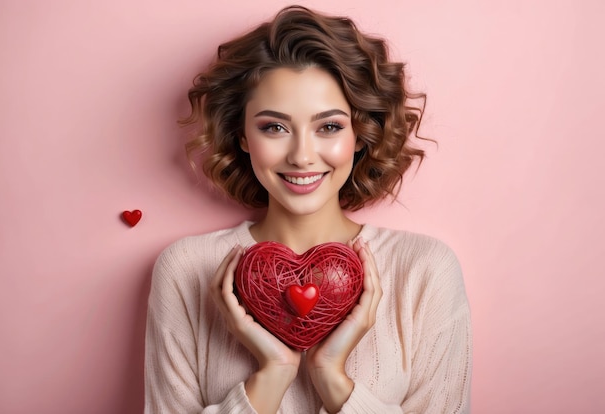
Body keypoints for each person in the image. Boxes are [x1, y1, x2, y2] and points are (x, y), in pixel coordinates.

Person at [145, 5, 472, 413]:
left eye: (329, 127)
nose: (302, 156)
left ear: (359, 134)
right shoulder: (186, 269)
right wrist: (273, 373)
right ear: (243, 135)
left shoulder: (424, 271)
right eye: (274, 127)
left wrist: (333, 378)